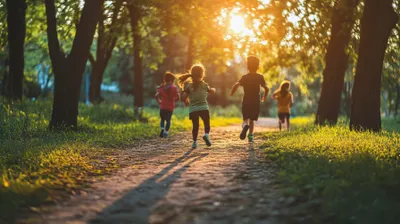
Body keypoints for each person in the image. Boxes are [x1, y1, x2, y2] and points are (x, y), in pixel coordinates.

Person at [230, 55, 269, 142]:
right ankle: (250, 135)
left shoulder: (245, 77)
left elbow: (236, 84)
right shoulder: (260, 77)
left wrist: (232, 92)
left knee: (245, 119)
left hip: (246, 99)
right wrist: (264, 97)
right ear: (258, 66)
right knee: (252, 119)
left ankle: (245, 126)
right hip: (255, 100)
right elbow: (266, 88)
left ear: (247, 66)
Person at [179, 64, 216, 149]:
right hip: (203, 108)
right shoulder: (204, 85)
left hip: (193, 109)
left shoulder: (189, 86)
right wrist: (214, 89)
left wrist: (185, 101)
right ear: (202, 74)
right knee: (206, 123)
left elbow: (183, 97)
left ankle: (194, 142)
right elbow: (211, 91)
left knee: (195, 126)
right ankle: (206, 135)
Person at [155, 72, 180, 138]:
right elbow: (178, 97)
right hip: (170, 107)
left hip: (162, 106)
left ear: (165, 79)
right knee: (168, 120)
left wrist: (159, 102)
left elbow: (156, 96)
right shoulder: (174, 88)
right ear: (172, 80)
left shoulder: (162, 87)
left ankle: (162, 129)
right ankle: (166, 132)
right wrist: (175, 100)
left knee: (162, 119)